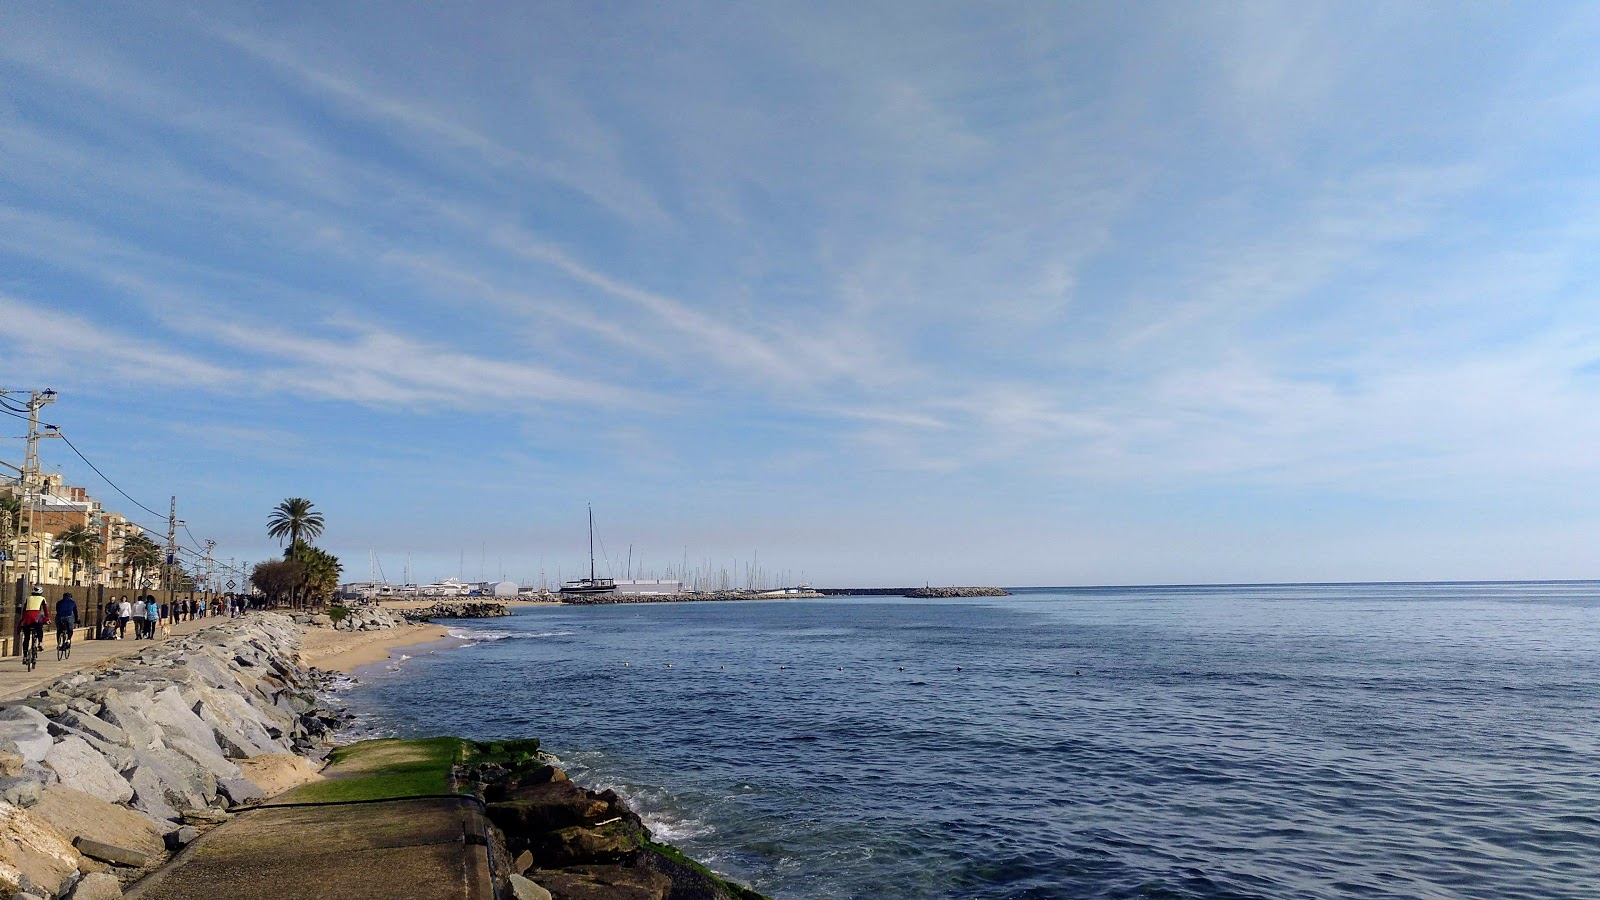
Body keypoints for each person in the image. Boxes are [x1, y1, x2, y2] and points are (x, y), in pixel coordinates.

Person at [21, 586, 49, 660]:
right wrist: (47, 619)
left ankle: (24, 655)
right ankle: (40, 642)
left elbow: (24, 610)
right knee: (39, 629)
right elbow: (46, 611)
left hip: (27, 619)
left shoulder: (28, 598)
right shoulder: (42, 599)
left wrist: (22, 620)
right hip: (36, 618)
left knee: (26, 638)